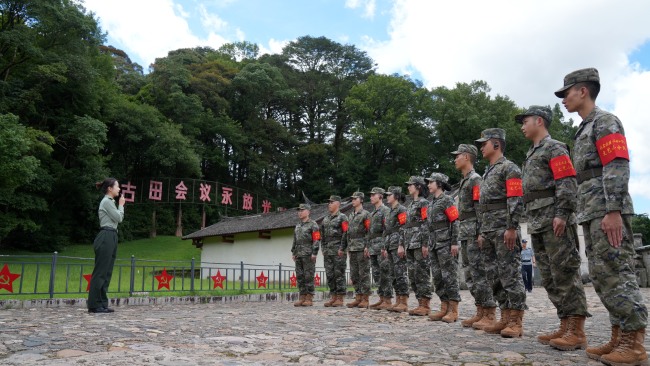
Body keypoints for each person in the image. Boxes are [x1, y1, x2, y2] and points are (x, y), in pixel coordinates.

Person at [555, 68, 647, 365]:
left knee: (618, 273)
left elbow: (617, 164)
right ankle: (619, 337)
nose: (563, 100)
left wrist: (613, 210)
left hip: (606, 210)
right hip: (591, 210)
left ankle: (634, 344)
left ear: (583, 91)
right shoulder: (584, 128)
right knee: (602, 275)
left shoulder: (605, 121)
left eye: (566, 93)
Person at [517, 105, 590, 351]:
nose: (522, 126)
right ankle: (565, 323)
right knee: (549, 276)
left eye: (525, 121)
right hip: (538, 222)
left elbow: (566, 181)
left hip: (554, 220)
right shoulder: (531, 153)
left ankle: (576, 330)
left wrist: (562, 213)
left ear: (539, 121)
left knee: (565, 273)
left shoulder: (555, 147)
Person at [474, 128, 527, 337]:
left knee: (510, 274)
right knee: (493, 275)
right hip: (488, 230)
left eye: (484, 143)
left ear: (496, 144)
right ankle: (504, 316)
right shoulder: (487, 172)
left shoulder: (509, 168)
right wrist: (481, 231)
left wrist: (512, 227)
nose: (481, 147)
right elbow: (483, 206)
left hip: (504, 229)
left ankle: (516, 320)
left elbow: (515, 199)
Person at [452, 143, 498, 329]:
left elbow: (480, 208)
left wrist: (481, 232)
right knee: (470, 274)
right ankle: (480, 310)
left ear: (467, 157)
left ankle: (489, 312)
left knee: (480, 273)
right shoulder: (464, 181)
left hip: (474, 231)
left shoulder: (475, 180)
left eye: (458, 156)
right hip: (465, 231)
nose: (455, 159)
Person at [425, 173, 461, 323]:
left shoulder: (447, 200)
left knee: (449, 276)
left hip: (446, 243)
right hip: (434, 244)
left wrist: (454, 242)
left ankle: (453, 309)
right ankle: (444, 306)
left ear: (439, 184)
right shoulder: (431, 202)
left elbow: (455, 221)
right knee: (438, 277)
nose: (428, 185)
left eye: (431, 182)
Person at [88, 178, 125, 314]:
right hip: (106, 235)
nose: (119, 189)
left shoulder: (110, 202)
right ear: (110, 188)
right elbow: (119, 218)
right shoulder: (107, 202)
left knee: (107, 272)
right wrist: (121, 205)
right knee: (101, 272)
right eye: (117, 186)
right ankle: (94, 304)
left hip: (112, 235)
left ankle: (102, 303)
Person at [402, 176, 432, 316]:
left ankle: (425, 305)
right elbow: (405, 227)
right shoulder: (410, 205)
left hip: (419, 243)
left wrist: (425, 243)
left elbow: (426, 223)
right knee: (412, 275)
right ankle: (419, 302)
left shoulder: (424, 203)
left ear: (418, 187)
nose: (408, 187)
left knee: (422, 273)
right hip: (409, 244)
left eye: (411, 185)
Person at [341, 192, 371, 308]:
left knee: (363, 273)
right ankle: (358, 296)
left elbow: (369, 231)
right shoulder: (350, 215)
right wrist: (344, 247)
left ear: (361, 200)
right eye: (352, 199)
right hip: (352, 248)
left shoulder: (366, 214)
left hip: (362, 247)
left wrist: (367, 246)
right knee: (354, 274)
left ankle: (365, 298)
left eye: (355, 198)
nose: (353, 200)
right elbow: (346, 233)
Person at [382, 186, 410, 312]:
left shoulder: (401, 209)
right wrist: (384, 246)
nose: (387, 197)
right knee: (393, 274)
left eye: (389, 195)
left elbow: (403, 228)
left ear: (396, 196)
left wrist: (401, 245)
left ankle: (403, 301)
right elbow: (386, 230)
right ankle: (398, 299)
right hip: (389, 245)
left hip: (397, 244)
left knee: (400, 274)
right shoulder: (388, 211)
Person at [320, 195, 349, 307]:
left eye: (332, 202)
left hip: (338, 250)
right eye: (329, 202)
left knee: (339, 273)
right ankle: (333, 296)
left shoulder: (343, 217)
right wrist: (323, 248)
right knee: (330, 274)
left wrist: (342, 248)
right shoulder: (325, 219)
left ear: (338, 203)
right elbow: (322, 236)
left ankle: (340, 298)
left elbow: (346, 233)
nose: (329, 204)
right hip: (328, 251)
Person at [291, 203, 321, 307]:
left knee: (308, 276)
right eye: (299, 211)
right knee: (300, 276)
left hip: (308, 254)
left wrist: (314, 253)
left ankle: (309, 297)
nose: (300, 212)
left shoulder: (313, 224)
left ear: (308, 211)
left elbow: (316, 239)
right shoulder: (298, 225)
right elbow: (295, 240)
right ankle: (302, 296)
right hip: (298, 254)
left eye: (302, 210)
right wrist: (293, 252)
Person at [367, 187, 391, 310]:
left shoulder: (385, 211)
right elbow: (369, 232)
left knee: (384, 273)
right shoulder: (371, 214)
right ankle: (381, 298)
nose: (371, 197)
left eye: (373, 195)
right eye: (370, 195)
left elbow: (387, 230)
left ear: (380, 196)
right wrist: (367, 246)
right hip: (372, 246)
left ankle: (387, 299)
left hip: (381, 245)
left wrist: (385, 246)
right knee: (376, 274)